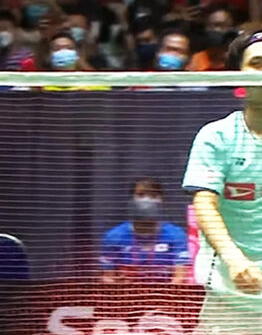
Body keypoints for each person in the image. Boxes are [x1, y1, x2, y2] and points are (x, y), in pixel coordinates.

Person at [183, 29, 262, 334]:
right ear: (239, 76)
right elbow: (205, 203)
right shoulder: (217, 136)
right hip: (230, 301)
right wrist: (234, 259)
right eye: (256, 64)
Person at [100, 178, 189, 285]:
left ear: (162, 200)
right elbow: (107, 278)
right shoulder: (113, 236)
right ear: (132, 199)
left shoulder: (176, 235)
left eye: (153, 196)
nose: (147, 200)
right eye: (141, 195)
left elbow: (180, 278)